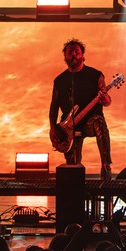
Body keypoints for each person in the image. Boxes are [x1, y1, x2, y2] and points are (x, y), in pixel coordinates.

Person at [49, 38, 114, 179]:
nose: (73, 54)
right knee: (72, 167)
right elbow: (54, 107)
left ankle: (106, 167)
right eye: (70, 52)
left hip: (90, 122)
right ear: (65, 56)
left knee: (100, 123)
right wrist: (53, 129)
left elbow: (107, 101)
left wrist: (105, 99)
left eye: (76, 51)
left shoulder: (95, 75)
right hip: (69, 127)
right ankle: (74, 183)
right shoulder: (59, 80)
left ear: (83, 55)